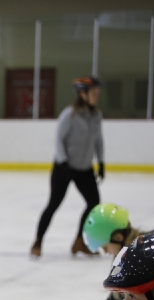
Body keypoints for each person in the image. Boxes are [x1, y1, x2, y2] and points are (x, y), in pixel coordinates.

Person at [30, 77, 104, 258]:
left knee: (94, 203)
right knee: (54, 204)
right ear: (82, 93)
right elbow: (58, 140)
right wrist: (63, 163)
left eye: (97, 93)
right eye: (93, 93)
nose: (96, 96)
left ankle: (79, 241)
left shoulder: (96, 116)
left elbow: (99, 140)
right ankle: (38, 241)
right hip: (64, 168)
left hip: (84, 168)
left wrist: (101, 163)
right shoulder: (69, 115)